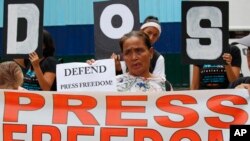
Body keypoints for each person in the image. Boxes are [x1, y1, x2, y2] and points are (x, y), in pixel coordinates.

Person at [88, 31, 172, 92]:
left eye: (139, 51)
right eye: (128, 53)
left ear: (150, 53)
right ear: (123, 56)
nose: (134, 57)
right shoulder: (112, 85)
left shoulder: (165, 87)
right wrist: (89, 75)